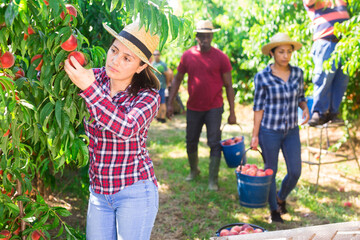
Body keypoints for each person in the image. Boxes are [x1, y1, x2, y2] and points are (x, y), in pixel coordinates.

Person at [64, 21, 160, 240]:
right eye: (114, 50)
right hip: (98, 192)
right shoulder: (95, 78)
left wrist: (90, 89)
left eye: (127, 58)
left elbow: (125, 127)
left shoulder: (148, 96)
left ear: (141, 66)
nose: (115, 60)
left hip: (134, 190)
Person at [166, 19, 237, 191]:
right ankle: (194, 170)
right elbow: (177, 79)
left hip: (214, 107)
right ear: (196, 37)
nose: (205, 40)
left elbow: (229, 85)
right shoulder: (188, 56)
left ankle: (213, 179)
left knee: (214, 142)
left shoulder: (221, 57)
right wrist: (170, 103)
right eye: (201, 36)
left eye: (208, 36)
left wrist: (232, 112)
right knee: (191, 140)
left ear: (212, 36)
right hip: (193, 107)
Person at [250, 33, 310, 223]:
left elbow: (300, 97)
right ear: (273, 53)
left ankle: (280, 197)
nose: (285, 56)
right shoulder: (262, 77)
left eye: (289, 52)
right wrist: (255, 135)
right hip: (269, 131)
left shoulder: (298, 73)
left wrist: (305, 108)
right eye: (281, 52)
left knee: (295, 171)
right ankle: (274, 210)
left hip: (291, 130)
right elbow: (258, 108)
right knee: (271, 171)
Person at [303, 0, 350, 126]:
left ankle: (333, 113)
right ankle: (319, 112)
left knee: (341, 81)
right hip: (326, 41)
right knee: (323, 78)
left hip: (344, 43)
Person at [152, 49, 172, 123]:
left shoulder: (162, 64)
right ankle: (157, 117)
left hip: (162, 87)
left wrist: (167, 84)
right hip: (155, 87)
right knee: (157, 102)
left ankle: (162, 117)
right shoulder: (153, 63)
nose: (156, 56)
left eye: (157, 54)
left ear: (159, 55)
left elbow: (168, 75)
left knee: (162, 102)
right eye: (154, 54)